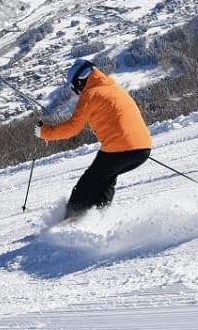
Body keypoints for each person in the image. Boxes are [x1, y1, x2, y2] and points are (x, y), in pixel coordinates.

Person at [34, 59, 151, 220]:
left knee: (87, 184)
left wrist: (45, 132)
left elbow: (72, 128)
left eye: (75, 88)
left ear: (80, 82)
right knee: (105, 178)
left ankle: (70, 221)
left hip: (120, 149)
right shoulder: (114, 88)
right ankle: (97, 218)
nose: (77, 92)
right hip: (142, 148)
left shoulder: (91, 94)